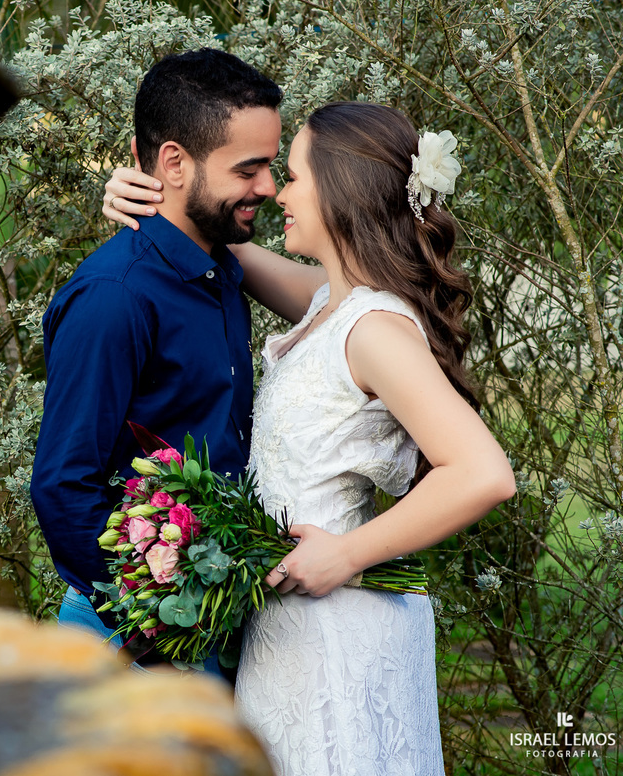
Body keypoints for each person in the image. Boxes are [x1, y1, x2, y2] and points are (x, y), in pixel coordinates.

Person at [103, 102, 516, 774]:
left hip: (334, 625)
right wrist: (153, 202)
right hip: (291, 625)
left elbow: (483, 472)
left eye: (293, 177)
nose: (277, 194)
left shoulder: (374, 330)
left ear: (341, 192)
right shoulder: (331, 302)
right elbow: (222, 249)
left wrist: (346, 554)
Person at [27, 48, 281, 675]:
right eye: (248, 169)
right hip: (130, 644)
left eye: (271, 167)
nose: (268, 188)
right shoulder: (115, 297)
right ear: (173, 162)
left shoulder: (220, 269)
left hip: (208, 628)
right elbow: (63, 485)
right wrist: (152, 639)